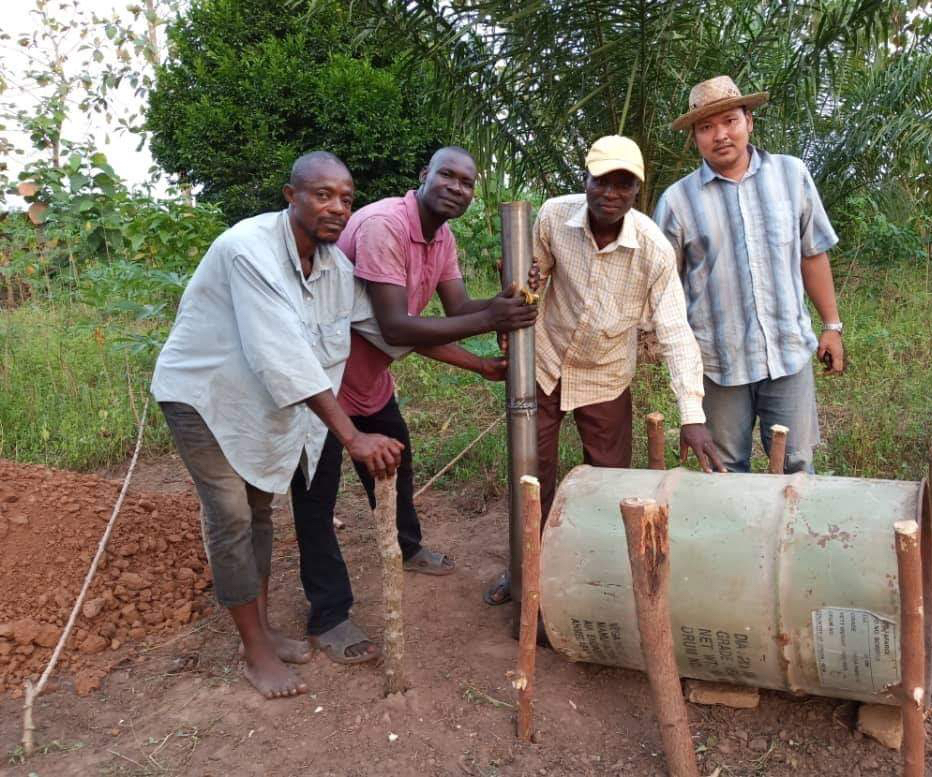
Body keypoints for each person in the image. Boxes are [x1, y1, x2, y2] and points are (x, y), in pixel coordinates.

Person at [151, 152, 404, 699]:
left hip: (256, 406)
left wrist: (481, 349)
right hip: (203, 398)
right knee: (232, 514)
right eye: (322, 195)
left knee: (260, 506)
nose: (337, 207)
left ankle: (260, 631)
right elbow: (283, 356)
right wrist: (352, 436)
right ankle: (254, 650)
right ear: (291, 196)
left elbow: (388, 329)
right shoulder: (248, 249)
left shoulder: (336, 267)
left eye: (346, 198)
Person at [291, 146, 538, 664]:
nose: (457, 187)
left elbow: (457, 312)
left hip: (369, 379)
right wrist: (494, 320)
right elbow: (397, 326)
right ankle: (328, 616)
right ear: (424, 176)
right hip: (322, 385)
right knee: (317, 499)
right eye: (447, 175)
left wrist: (502, 306)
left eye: (467, 182)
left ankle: (407, 547)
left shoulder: (440, 237)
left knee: (396, 466)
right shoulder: (384, 226)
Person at [485, 135, 724, 606]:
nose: (610, 193)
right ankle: (526, 573)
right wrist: (526, 278)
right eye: (602, 181)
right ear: (586, 179)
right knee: (532, 476)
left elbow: (676, 330)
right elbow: (531, 277)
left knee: (610, 480)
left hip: (606, 375)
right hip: (546, 364)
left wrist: (692, 415)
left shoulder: (652, 248)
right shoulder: (554, 215)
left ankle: (599, 579)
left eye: (623, 185)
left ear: (637, 191)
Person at [653, 75, 845, 475]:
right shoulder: (677, 201)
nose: (720, 135)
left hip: (788, 354)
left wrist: (832, 326)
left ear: (749, 121)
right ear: (694, 137)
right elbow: (665, 288)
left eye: (730, 121)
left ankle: (790, 540)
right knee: (725, 473)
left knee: (795, 466)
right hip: (718, 364)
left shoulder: (792, 176)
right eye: (706, 127)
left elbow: (812, 255)